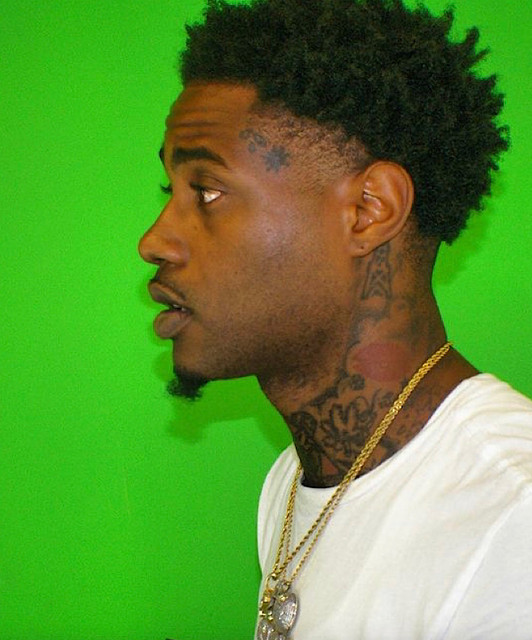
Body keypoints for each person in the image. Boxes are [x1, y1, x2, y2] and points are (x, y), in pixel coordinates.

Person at [138, 0, 532, 637]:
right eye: (170, 192)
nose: (155, 241)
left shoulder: (510, 517)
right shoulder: (295, 481)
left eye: (207, 191)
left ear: (369, 210)